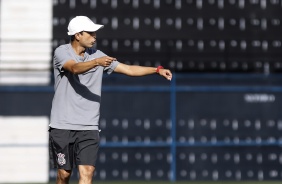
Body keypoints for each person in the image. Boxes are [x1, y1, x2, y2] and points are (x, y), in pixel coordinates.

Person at [49, 15, 172, 184]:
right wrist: (97, 63)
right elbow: (75, 68)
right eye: (90, 33)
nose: (95, 36)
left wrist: (157, 70)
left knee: (87, 172)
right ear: (78, 35)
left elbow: (129, 69)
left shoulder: (97, 55)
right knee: (64, 174)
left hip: (89, 126)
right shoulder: (62, 52)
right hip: (62, 125)